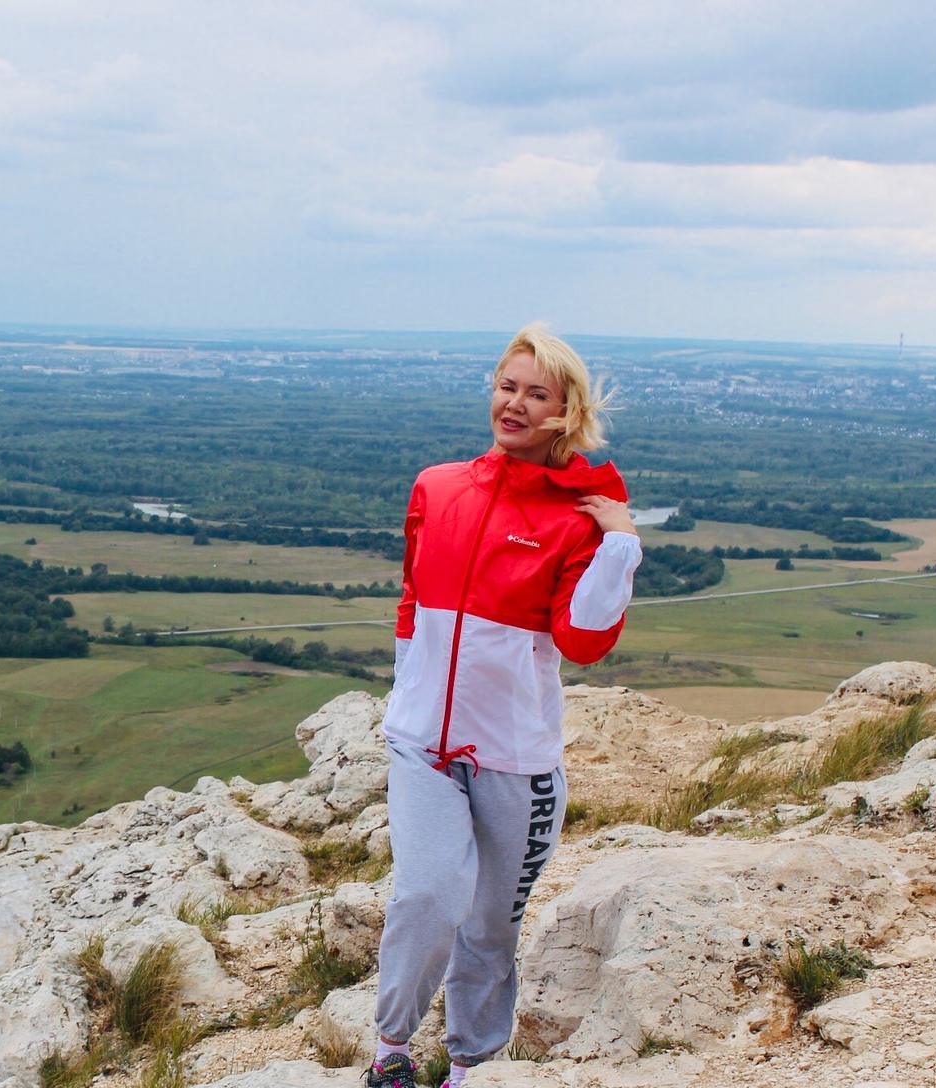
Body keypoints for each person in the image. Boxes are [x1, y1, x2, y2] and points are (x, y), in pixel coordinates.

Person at [365, 324, 640, 1088]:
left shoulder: (576, 519)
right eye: (506, 385)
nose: (514, 403)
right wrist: (408, 697)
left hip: (515, 759)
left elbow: (583, 643)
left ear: (566, 412)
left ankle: (470, 1065)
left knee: (489, 923)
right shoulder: (438, 485)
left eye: (536, 394)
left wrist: (617, 546)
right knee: (427, 893)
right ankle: (391, 1051)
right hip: (423, 744)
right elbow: (412, 602)